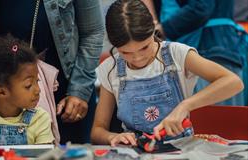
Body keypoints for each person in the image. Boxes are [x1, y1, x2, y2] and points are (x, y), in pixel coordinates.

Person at [91, 0, 244, 146]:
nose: (137, 58)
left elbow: (233, 82)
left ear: (153, 30)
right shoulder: (111, 68)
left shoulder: (176, 53)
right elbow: (97, 130)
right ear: (114, 45)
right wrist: (113, 136)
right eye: (125, 52)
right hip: (135, 152)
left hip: (181, 149)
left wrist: (184, 106)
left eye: (144, 47)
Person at [0, 0, 104, 144]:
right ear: (0, 91)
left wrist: (79, 90)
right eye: (31, 85)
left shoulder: (42, 117)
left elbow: (93, 31)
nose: (37, 90)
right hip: (5, 98)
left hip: (68, 94)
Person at [154, 0, 247, 106]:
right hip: (220, 45)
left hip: (212, 49)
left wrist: (162, 29)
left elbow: (201, 7)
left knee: (216, 115)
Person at [0, 35, 54, 146]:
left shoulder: (40, 119)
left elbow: (47, 156)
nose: (38, 90)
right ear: (1, 92)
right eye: (28, 85)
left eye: (37, 81)